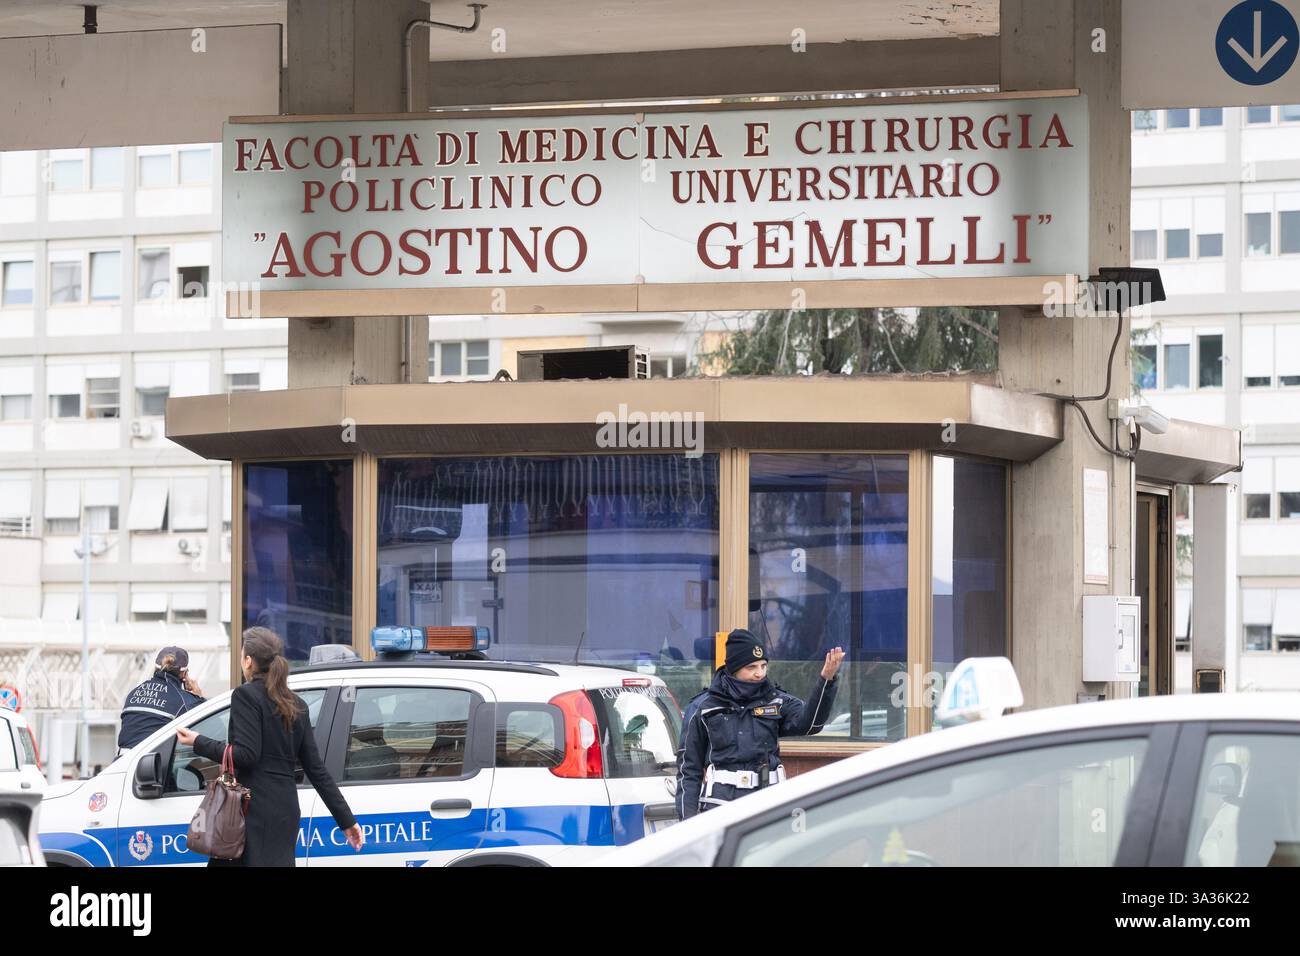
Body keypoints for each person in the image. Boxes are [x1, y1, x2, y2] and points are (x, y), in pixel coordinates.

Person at [176, 627, 364, 866]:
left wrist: (197, 741)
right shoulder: (297, 704)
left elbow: (246, 755)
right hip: (285, 810)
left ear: (248, 661)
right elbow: (317, 770)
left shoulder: (245, 696)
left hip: (253, 812)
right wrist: (346, 821)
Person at [676, 628, 844, 820]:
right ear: (733, 667)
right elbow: (688, 770)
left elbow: (811, 724)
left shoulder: (776, 700)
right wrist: (687, 821)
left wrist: (826, 681)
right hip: (720, 807)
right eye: (752, 667)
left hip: (769, 803)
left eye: (763, 666)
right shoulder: (703, 707)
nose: (759, 673)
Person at [117, 646, 206, 754]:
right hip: (149, 763)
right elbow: (209, 720)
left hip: (121, 760)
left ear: (156, 668)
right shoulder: (183, 699)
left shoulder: (133, 693)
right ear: (184, 674)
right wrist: (198, 695)